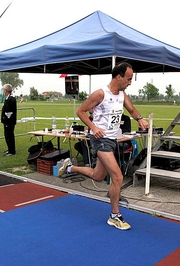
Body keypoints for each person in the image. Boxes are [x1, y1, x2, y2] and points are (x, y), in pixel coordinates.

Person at [59, 62, 148, 230]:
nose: (130, 82)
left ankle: (70, 168)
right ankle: (115, 215)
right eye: (128, 79)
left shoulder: (122, 94)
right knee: (118, 177)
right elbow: (80, 111)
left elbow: (132, 109)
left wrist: (140, 119)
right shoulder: (100, 94)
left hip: (112, 139)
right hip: (100, 139)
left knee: (98, 176)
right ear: (119, 76)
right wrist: (94, 127)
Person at [1, 84, 17, 156]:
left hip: (9, 121)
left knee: (9, 135)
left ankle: (12, 151)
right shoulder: (8, 98)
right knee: (7, 135)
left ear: (6, 91)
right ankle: (9, 149)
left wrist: (6, 119)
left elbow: (8, 111)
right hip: (7, 120)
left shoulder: (11, 99)